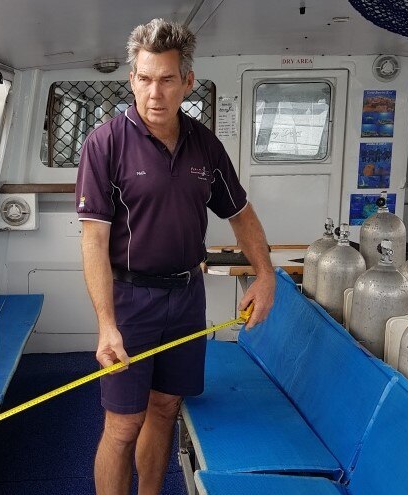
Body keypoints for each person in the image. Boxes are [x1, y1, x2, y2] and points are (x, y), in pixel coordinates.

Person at [76, 18, 275, 495]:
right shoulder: (105, 143)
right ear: (132, 80)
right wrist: (106, 322)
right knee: (123, 426)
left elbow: (241, 214)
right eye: (144, 79)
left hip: (187, 299)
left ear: (187, 81)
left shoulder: (205, 144)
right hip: (129, 301)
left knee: (165, 409)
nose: (155, 93)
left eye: (167, 80)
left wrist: (266, 275)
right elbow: (93, 242)